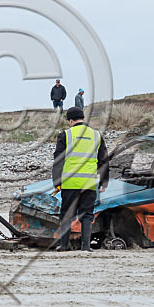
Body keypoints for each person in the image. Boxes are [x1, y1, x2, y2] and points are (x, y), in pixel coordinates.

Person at [52, 106, 109, 252]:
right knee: (87, 215)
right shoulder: (96, 135)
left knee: (66, 215)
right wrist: (104, 181)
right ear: (83, 119)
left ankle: (64, 246)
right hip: (89, 183)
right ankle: (86, 247)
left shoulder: (66, 134)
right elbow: (103, 160)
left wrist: (56, 182)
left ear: (71, 121)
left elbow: (58, 160)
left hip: (70, 183)